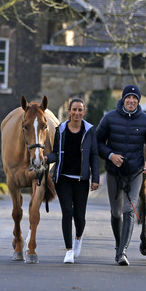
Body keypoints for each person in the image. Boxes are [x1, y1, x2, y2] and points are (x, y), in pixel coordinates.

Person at [96, 84, 146, 265]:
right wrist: (110, 155)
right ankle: (118, 245)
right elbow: (98, 142)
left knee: (128, 210)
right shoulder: (109, 118)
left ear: (138, 101)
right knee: (116, 213)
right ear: (123, 100)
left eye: (135, 98)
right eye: (128, 98)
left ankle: (122, 252)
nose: (131, 101)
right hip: (113, 172)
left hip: (135, 171)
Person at [45, 98, 100, 264]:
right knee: (67, 213)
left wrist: (95, 178)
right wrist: (46, 158)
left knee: (80, 217)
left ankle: (78, 238)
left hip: (81, 180)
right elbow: (56, 153)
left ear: (84, 112)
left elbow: (94, 156)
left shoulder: (89, 130)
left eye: (80, 110)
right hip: (63, 179)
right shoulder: (60, 129)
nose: (76, 113)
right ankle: (68, 250)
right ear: (69, 111)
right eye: (74, 110)